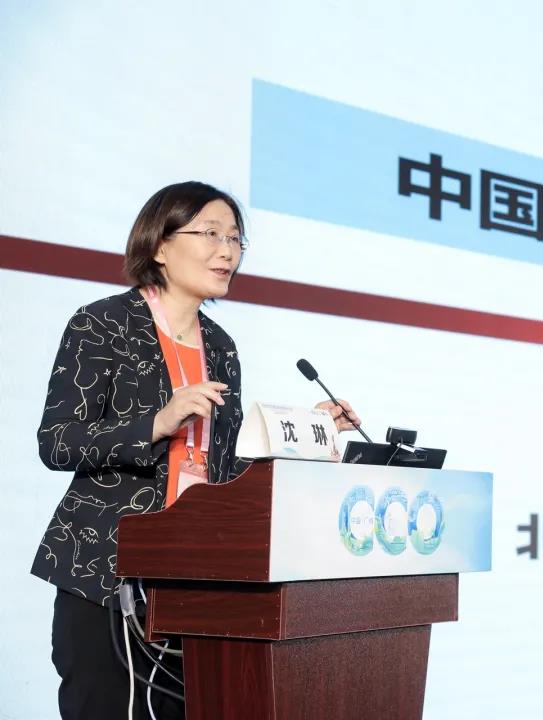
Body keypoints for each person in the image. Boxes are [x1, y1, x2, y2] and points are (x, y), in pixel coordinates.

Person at [31, 181, 360, 719]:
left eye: (234, 239)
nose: (226, 251)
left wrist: (310, 432)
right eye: (210, 233)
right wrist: (157, 423)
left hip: (194, 578)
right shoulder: (102, 324)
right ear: (160, 245)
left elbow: (222, 470)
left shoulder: (222, 347)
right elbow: (58, 442)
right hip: (106, 572)